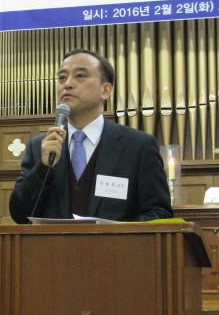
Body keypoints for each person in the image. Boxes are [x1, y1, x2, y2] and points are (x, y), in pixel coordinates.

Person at [9, 49, 173, 224]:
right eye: (62, 78)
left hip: (115, 250)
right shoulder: (39, 147)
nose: (68, 84)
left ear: (105, 90)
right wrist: (43, 168)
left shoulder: (138, 146)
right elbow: (19, 214)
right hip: (54, 250)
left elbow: (159, 213)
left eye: (80, 76)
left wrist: (119, 234)